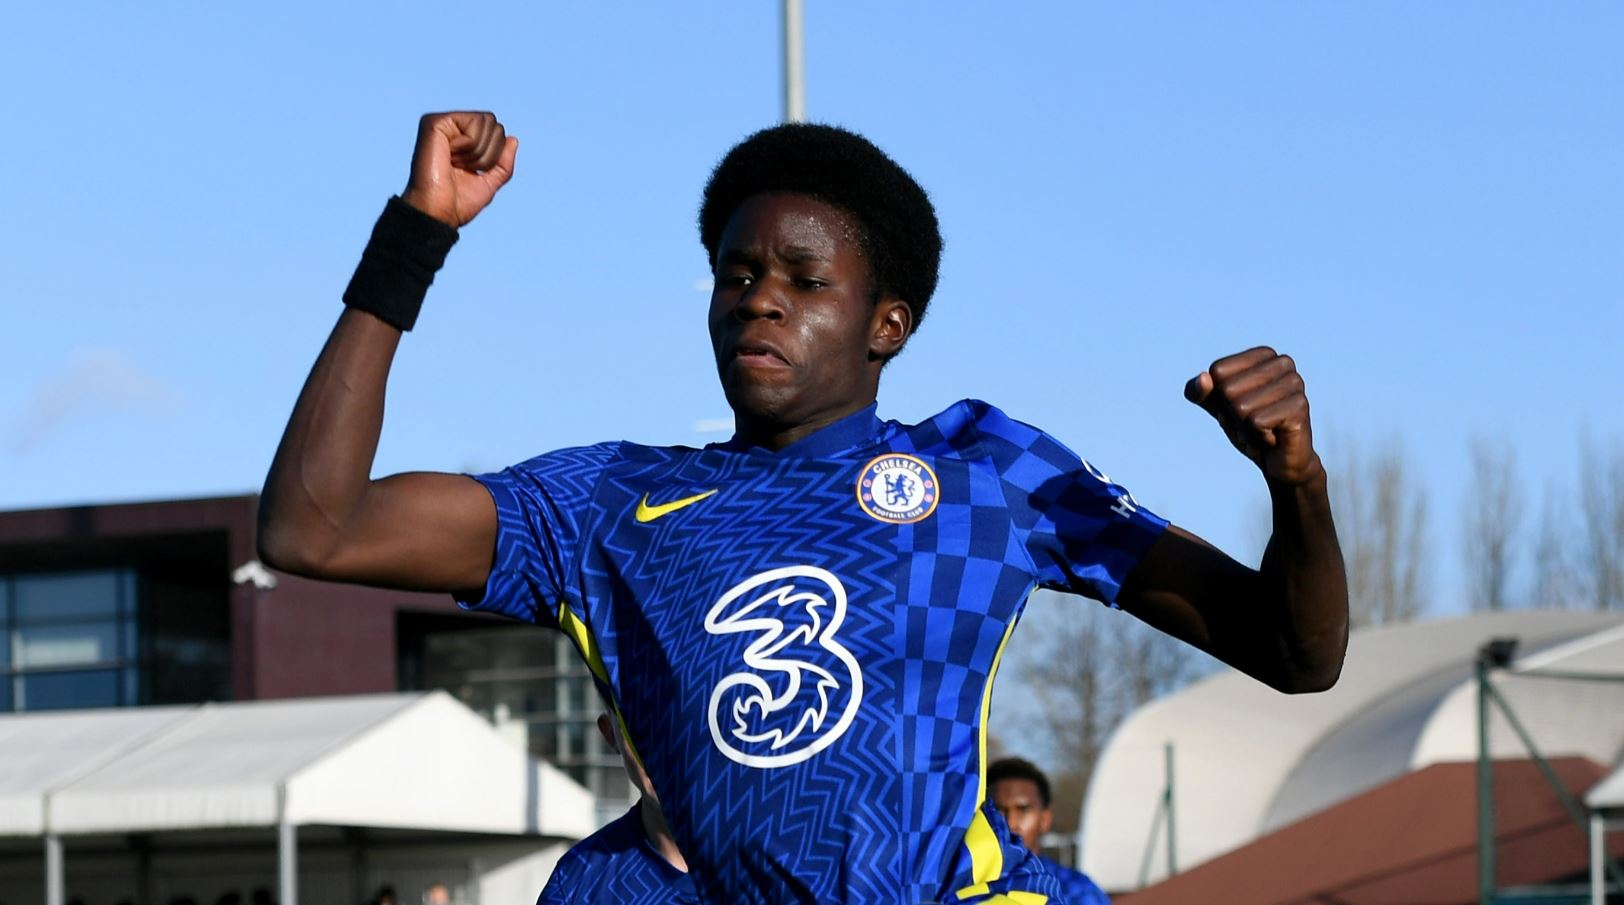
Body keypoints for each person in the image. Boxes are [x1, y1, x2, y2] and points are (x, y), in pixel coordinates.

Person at [259, 111, 1348, 903]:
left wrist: (1295, 483)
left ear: (889, 323)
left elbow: (1295, 652)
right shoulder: (603, 503)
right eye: (734, 273)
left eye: (801, 275)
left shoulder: (986, 473)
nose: (758, 296)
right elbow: (315, 526)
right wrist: (416, 232)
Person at [537, 713, 699, 904]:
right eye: (643, 724)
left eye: (687, 715)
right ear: (610, 733)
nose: (665, 751)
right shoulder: (574, 887)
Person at [987, 758, 1109, 905]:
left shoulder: (1078, 891)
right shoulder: (964, 885)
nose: (1010, 822)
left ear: (1045, 819)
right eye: (998, 810)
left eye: (1023, 810)